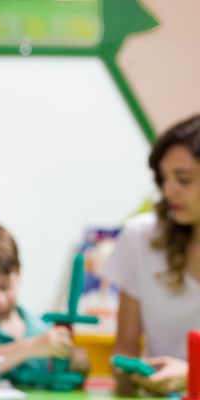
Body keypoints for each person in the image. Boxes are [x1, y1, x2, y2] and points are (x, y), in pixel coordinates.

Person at [103, 116, 200, 395]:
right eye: (163, 177)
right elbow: (125, 347)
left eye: (183, 179)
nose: (168, 190)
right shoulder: (140, 238)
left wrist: (193, 375)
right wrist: (126, 370)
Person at [0, 221, 90, 384]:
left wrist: (77, 363)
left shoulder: (41, 327)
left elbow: (63, 377)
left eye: (5, 286)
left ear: (18, 272)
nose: (0, 299)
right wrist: (32, 347)